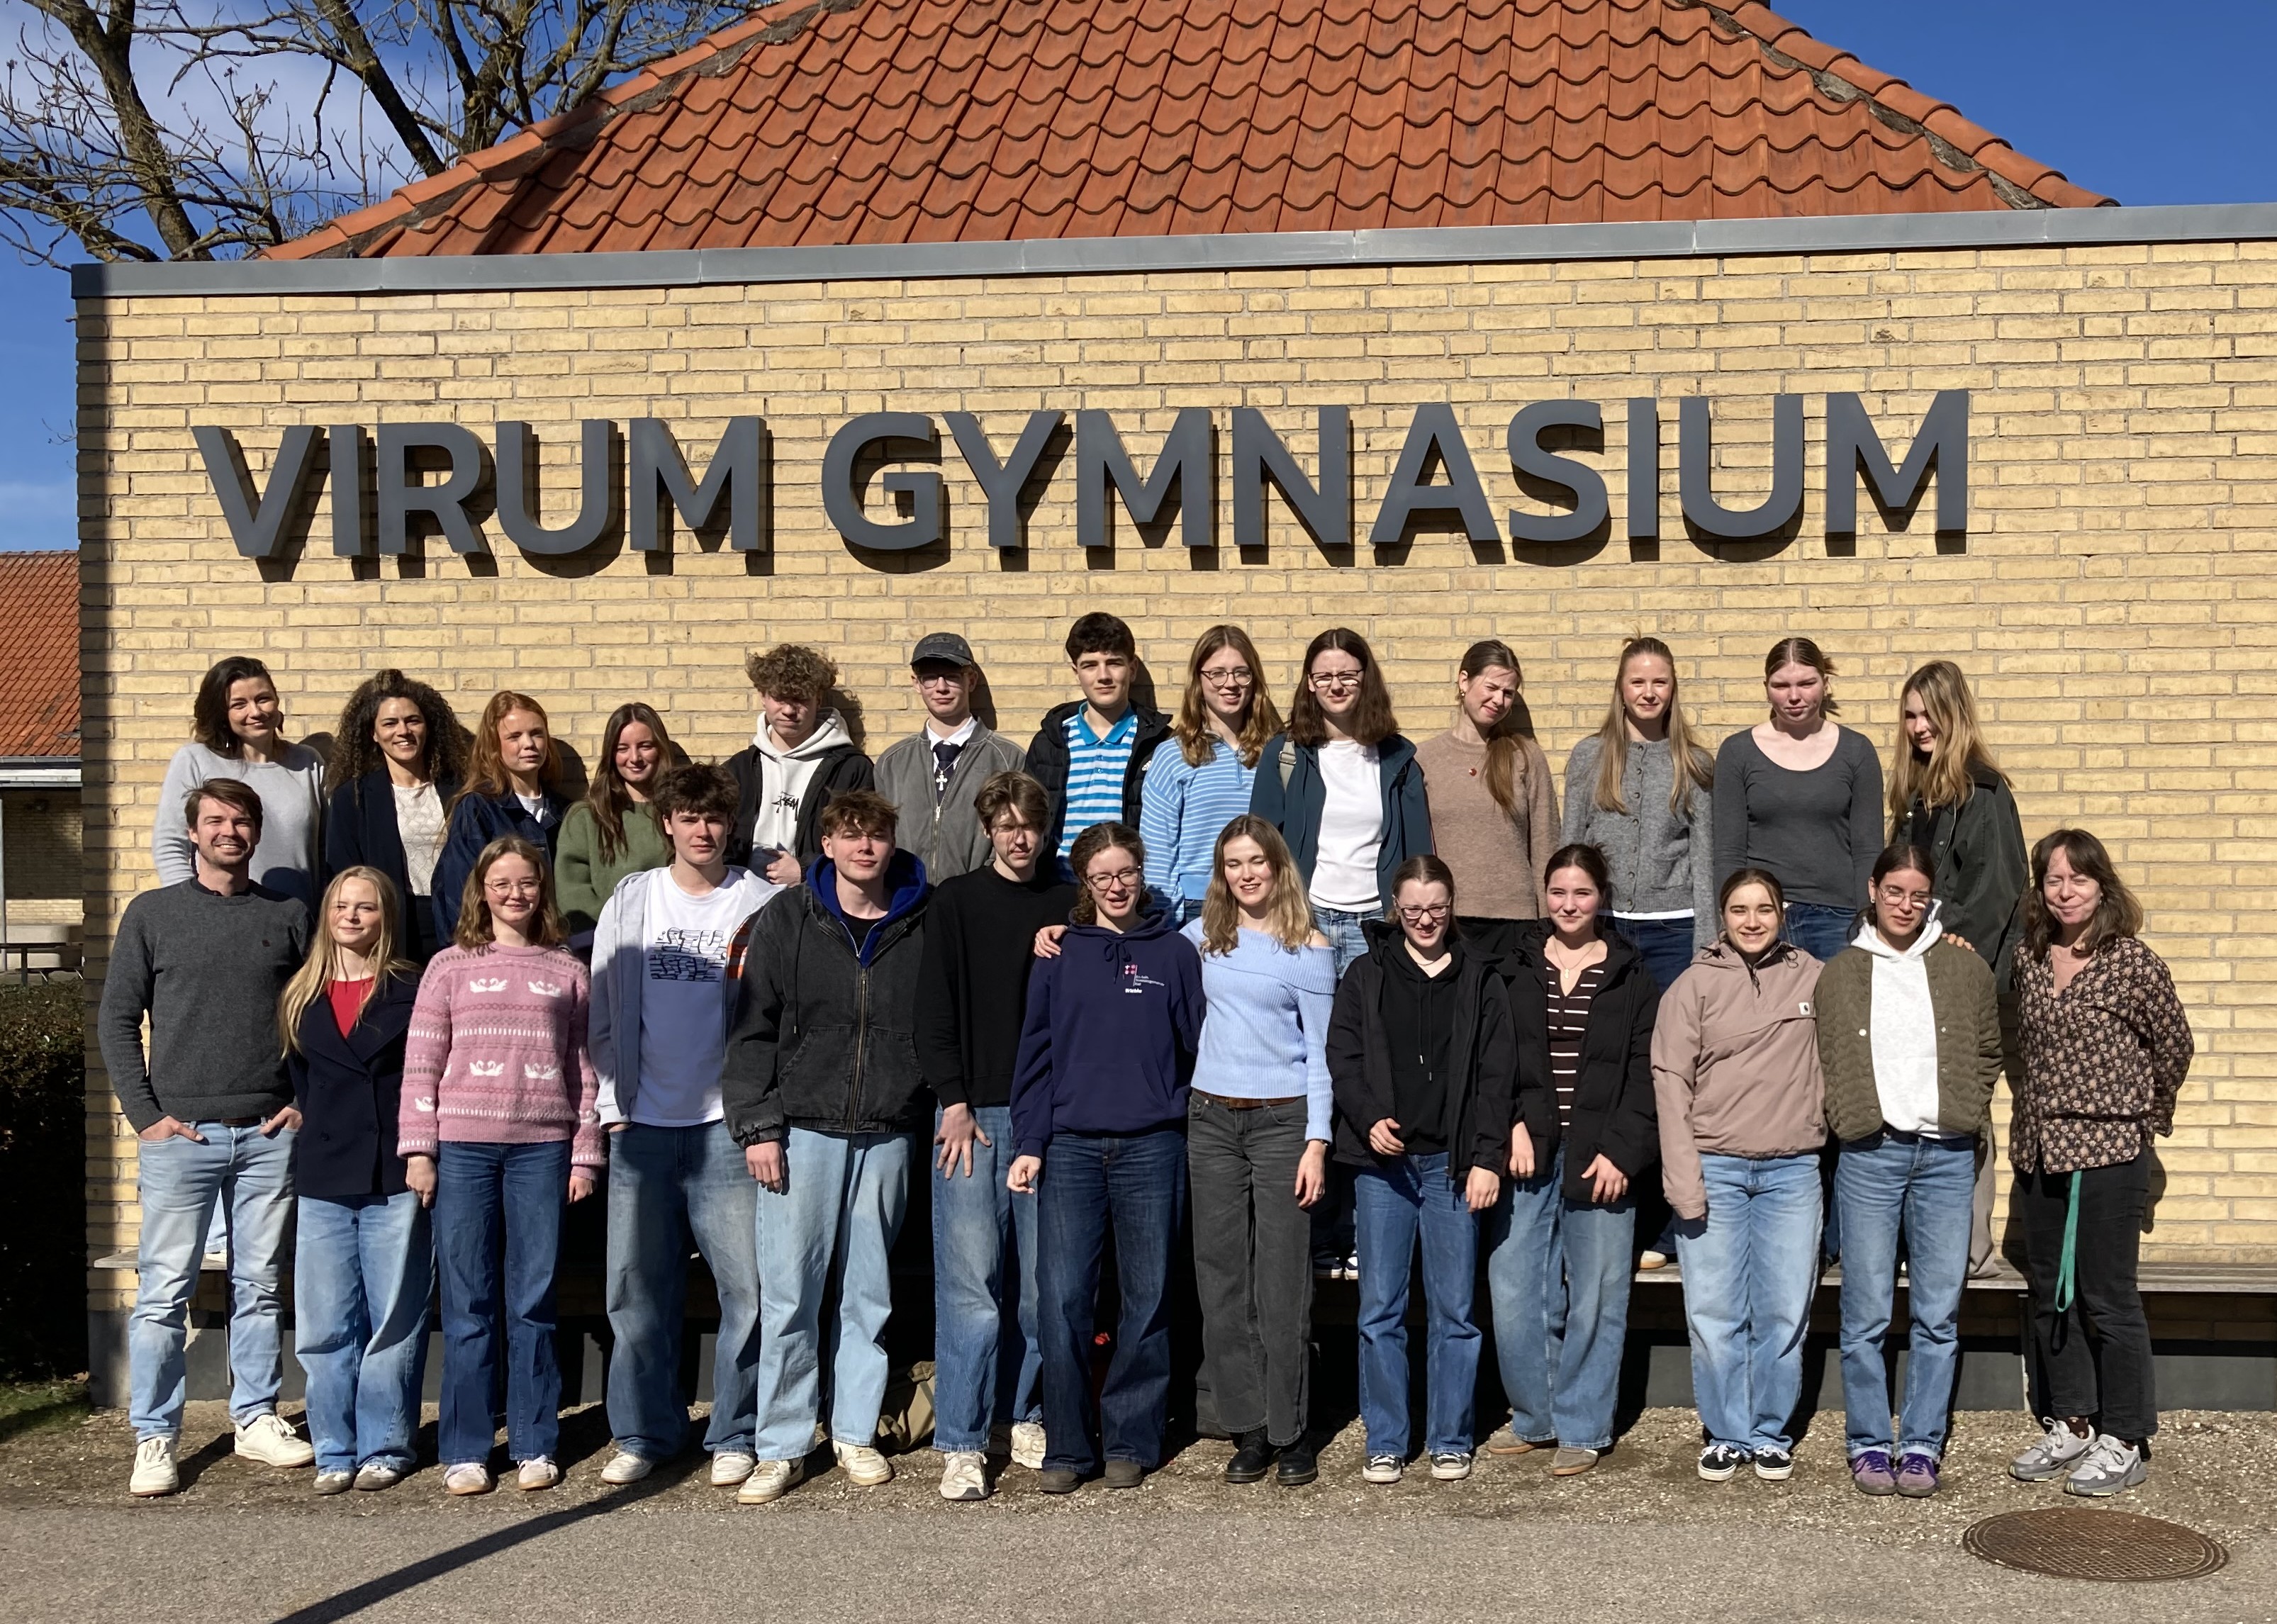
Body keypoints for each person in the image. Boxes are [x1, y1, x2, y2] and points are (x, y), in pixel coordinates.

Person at [99, 777, 316, 1497]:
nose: (230, 830)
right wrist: (147, 1116)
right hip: (180, 1137)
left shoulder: (288, 913)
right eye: (216, 820)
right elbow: (116, 1019)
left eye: (242, 820)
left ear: (256, 832)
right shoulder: (153, 915)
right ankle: (155, 1435)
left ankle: (255, 1415)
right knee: (164, 1290)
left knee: (258, 1284)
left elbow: (315, 1012)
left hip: (266, 1131)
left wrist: (301, 1101)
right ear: (192, 832)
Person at [722, 790, 930, 1506]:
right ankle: (780, 1442)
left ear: (890, 842)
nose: (863, 847)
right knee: (790, 1294)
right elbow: (753, 1026)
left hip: (887, 1129)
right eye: (849, 835)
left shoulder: (918, 918)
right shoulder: (790, 917)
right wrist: (757, 1124)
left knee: (867, 1293)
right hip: (801, 1129)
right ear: (828, 845)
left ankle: (852, 1432)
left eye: (875, 834)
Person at [588, 763, 781, 1491]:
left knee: (747, 1291)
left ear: (729, 825)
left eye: (714, 818)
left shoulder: (761, 902)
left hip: (725, 1129)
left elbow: (776, 1019)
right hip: (643, 1122)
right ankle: (646, 1430)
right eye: (688, 817)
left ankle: (734, 1430)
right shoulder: (633, 899)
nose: (702, 830)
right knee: (636, 1288)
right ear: (666, 822)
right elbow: (604, 1008)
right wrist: (613, 1105)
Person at [401, 835, 602, 1496]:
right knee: (467, 1301)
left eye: (527, 882)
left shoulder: (567, 968)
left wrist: (584, 1152)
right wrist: (421, 1149)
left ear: (543, 889)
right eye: (502, 883)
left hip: (542, 1149)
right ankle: (464, 1447)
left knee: (534, 1299)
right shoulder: (449, 966)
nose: (515, 894)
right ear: (480, 890)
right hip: (463, 1150)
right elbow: (423, 1064)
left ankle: (536, 1441)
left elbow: (585, 1070)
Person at [1009, 822, 1204, 1493]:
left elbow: (1195, 1047)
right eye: (1102, 877)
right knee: (1062, 1298)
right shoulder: (1058, 955)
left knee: (1147, 1297)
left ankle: (1131, 1436)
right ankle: (1068, 1443)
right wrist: (1030, 1142)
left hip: (1153, 1144)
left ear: (1141, 876)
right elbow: (1035, 1056)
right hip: (1070, 1148)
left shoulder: (1175, 952)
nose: (1116, 887)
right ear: (1084, 885)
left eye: (1126, 873)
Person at [2005, 830, 2192, 1498]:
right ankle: (2074, 1420)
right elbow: (2020, 1047)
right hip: (2041, 1149)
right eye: (2053, 879)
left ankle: (2126, 1433)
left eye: (2078, 879)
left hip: (2111, 1152)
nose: (2065, 891)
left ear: (2101, 885)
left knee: (2106, 1297)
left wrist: (2146, 1116)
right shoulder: (2028, 960)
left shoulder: (2132, 962)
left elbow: (2174, 1045)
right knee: (2048, 1293)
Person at [1816, 843, 2001, 1499]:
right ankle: (1868, 1440)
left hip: (1946, 1156)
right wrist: (1847, 1112)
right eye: (1894, 891)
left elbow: (1988, 1049)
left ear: (1931, 900)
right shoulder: (1840, 971)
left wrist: (1970, 1105)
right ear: (1873, 889)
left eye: (1917, 895)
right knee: (1865, 1310)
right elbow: (1826, 1058)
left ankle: (1920, 1443)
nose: (1905, 904)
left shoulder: (1962, 967)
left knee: (1936, 1312)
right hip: (1871, 1154)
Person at [1327, 855, 1515, 1486]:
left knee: (1454, 1310)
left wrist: (1488, 1157)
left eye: (1436, 906)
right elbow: (1343, 1055)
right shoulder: (1365, 973)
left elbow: (1497, 1078)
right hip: (1386, 1166)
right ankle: (1386, 1439)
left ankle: (1450, 1438)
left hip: (1453, 1167)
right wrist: (1368, 1115)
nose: (1426, 918)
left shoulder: (1480, 978)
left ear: (1451, 905)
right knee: (1380, 1308)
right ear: (1395, 909)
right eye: (1413, 908)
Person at [914, 771, 1076, 1501]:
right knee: (971, 1284)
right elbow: (932, 1010)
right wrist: (951, 1098)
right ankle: (962, 1438)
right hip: (971, 1116)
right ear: (986, 828)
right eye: (1005, 824)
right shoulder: (953, 902)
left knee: (1043, 1285)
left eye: (1029, 824)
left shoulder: (1068, 900)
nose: (1019, 837)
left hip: (1047, 1118)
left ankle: (1027, 1412)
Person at [1485, 844, 1658, 1478]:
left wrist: (1623, 1149)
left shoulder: (1630, 975)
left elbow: (1645, 1073)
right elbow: (1494, 1058)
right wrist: (1510, 1127)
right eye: (1558, 891)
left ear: (1602, 898)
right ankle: (1537, 1417)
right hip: (1529, 1151)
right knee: (1515, 1289)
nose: (1568, 904)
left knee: (1596, 1295)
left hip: (1602, 1156)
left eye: (1581, 893)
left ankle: (1584, 1425)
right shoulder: (1514, 967)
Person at [1651, 868, 1826, 1483]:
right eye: (1738, 909)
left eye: (1764, 909)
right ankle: (1726, 1432)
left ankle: (1770, 1432)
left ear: (1782, 912)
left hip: (1792, 1170)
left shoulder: (1815, 977)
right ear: (1721, 916)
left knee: (1784, 1309)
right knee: (1714, 1310)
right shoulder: (1693, 986)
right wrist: (1683, 1178)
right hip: (1716, 1167)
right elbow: (1670, 1086)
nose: (1752, 921)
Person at [1182, 816, 1335, 1487]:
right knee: (1222, 1280)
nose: (1245, 874)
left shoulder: (1309, 949)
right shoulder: (1202, 938)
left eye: (1256, 862)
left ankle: (1290, 1428)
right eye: (1233, 863)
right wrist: (1060, 933)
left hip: (1282, 1124)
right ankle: (1245, 1428)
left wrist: (1317, 1142)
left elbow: (1324, 1057)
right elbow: (1125, 950)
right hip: (1211, 1118)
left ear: (1278, 866)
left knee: (1281, 1281)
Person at [280, 866, 428, 1494]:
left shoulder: (412, 988)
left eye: (366, 907)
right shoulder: (299, 994)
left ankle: (387, 1443)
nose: (352, 916)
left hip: (393, 1169)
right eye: (342, 905)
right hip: (323, 1173)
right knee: (324, 1323)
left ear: (384, 916)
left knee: (392, 1317)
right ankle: (334, 1445)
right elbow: (299, 1084)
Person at [1250, 627, 1431, 978]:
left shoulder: (1398, 759)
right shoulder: (1285, 755)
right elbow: (1261, 847)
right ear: (1310, 683)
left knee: (1371, 1029)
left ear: (1366, 679)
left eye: (1347, 675)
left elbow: (1418, 853)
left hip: (1378, 925)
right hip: (1305, 920)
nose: (1336, 686)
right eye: (1324, 676)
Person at [1560, 636, 1718, 991]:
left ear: (1673, 688)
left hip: (1674, 930)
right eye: (1638, 682)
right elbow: (1570, 845)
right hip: (1602, 924)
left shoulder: (1694, 764)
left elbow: (1704, 856)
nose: (1649, 693)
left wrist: (1706, 941)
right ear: (1621, 688)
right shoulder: (1590, 756)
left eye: (1660, 682)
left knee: (1670, 1038)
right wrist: (1564, 923)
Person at [1712, 637, 1882, 961]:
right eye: (1781, 685)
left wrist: (1867, 920)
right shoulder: (1737, 753)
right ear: (1766, 687)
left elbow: (1868, 849)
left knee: (1836, 1011)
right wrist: (1729, 920)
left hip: (1838, 920)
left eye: (1806, 683)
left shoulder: (1856, 751)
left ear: (1826, 683)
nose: (1794, 696)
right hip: (1761, 919)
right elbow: (1728, 852)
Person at [1414, 639, 1555, 961]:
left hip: (1516, 923)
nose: (1499, 700)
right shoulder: (1424, 759)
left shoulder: (1526, 756)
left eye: (1508, 693)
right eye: (1491, 687)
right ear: (1464, 681)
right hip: (1446, 921)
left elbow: (1546, 844)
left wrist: (1548, 923)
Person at [1889, 660, 2029, 982]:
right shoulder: (1915, 794)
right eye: (1911, 716)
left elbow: (1989, 892)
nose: (1919, 727)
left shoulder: (1981, 791)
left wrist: (1950, 955)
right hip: (1916, 957)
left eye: (1929, 715)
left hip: (1954, 965)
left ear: (1955, 714)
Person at [155, 655, 326, 905]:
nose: (256, 712)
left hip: (300, 920)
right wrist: (193, 910)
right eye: (239, 704)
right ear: (222, 713)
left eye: (263, 699)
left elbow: (324, 850)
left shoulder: (307, 762)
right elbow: (170, 844)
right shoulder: (196, 760)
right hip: (223, 918)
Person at [322, 669, 466, 961]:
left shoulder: (461, 789)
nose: (403, 731)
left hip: (458, 923)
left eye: (413, 720)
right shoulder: (354, 797)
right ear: (374, 734)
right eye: (390, 723)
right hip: (394, 928)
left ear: (428, 727)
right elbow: (344, 872)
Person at [1141, 625, 1282, 924]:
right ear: (1199, 680)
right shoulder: (1173, 755)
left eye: (1240, 673)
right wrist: (1165, 920)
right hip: (1198, 907)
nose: (1230, 684)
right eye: (1217, 673)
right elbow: (1157, 849)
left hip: (1268, 903)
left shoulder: (1279, 751)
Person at [875, 632, 1026, 884]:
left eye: (952, 677)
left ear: (971, 681)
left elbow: (1016, 838)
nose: (941, 687)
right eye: (930, 678)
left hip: (977, 902)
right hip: (907, 903)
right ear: (916, 683)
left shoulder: (1007, 760)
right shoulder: (892, 763)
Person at [1024, 612, 1173, 866]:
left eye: (1114, 663)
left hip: (1128, 892)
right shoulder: (1050, 742)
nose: (1103, 676)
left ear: (1132, 668)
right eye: (1090, 665)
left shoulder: (1159, 745)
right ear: (1076, 672)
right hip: (1060, 891)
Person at [431, 691, 569, 949]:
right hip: (495, 954)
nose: (529, 744)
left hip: (554, 951)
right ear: (495, 747)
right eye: (514, 737)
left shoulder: (565, 811)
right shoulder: (478, 809)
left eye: (537, 734)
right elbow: (460, 895)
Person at [725, 644, 874, 884]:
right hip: (741, 903)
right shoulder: (739, 768)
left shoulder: (850, 769)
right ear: (763, 696)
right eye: (780, 698)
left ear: (818, 698)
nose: (789, 710)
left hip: (815, 903)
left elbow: (862, 845)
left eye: (800, 699)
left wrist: (807, 871)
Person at [556, 701, 683, 937]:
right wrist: (611, 935)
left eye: (645, 746)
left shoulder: (682, 814)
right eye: (622, 748)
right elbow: (572, 894)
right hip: (604, 944)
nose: (635, 758)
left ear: (661, 749)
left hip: (671, 942)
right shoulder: (586, 817)